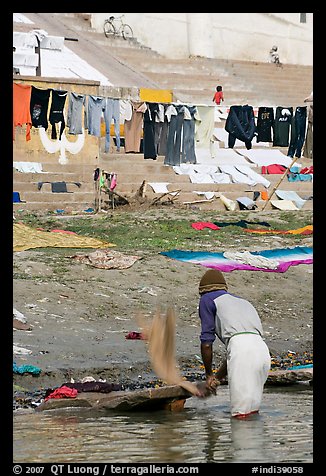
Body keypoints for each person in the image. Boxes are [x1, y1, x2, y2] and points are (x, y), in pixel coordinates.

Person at [197, 268, 271, 418]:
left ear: (202, 291)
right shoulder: (243, 302)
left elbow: (207, 343)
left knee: (240, 417)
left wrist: (209, 374)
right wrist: (217, 379)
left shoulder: (207, 299)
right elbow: (237, 354)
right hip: (263, 352)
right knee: (252, 412)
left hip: (241, 351)